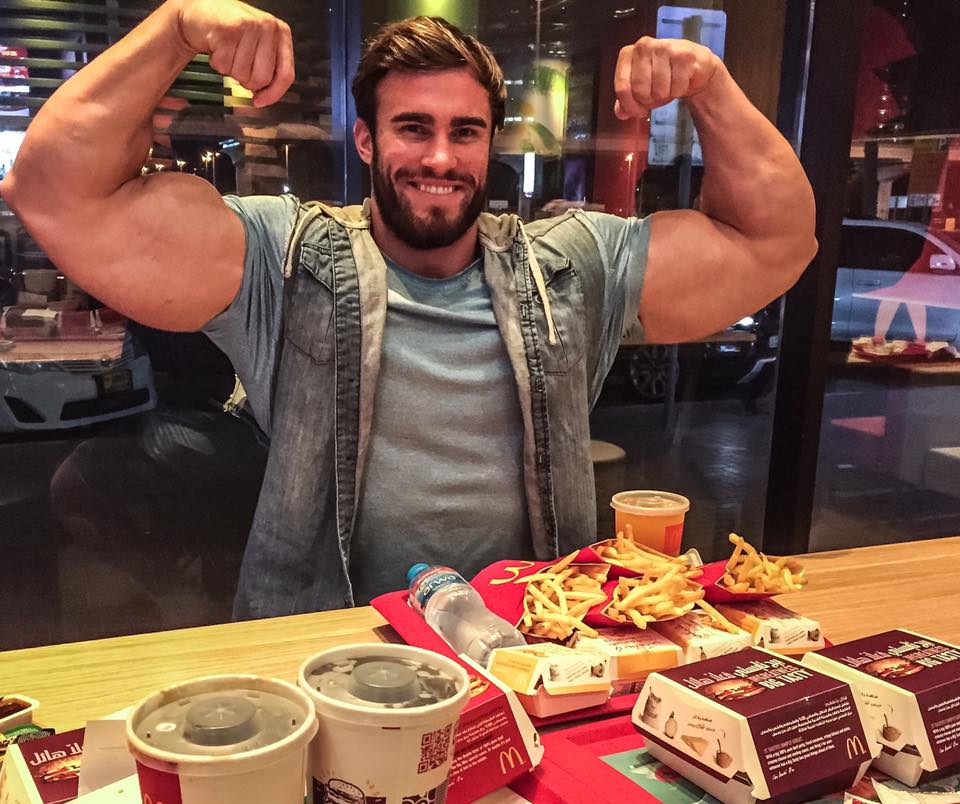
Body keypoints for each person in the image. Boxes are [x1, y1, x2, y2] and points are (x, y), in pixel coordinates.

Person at [2, 0, 817, 619]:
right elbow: (55, 194)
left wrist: (710, 85)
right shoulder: (284, 259)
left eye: (466, 132)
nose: (439, 156)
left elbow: (777, 241)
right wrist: (176, 27)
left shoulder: (570, 267)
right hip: (331, 653)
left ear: (491, 144)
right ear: (366, 141)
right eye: (413, 128)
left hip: (534, 653)